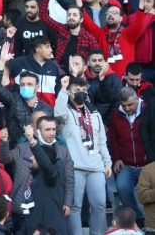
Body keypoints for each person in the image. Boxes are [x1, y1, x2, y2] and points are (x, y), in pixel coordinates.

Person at [54, 75, 112, 235]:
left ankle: (95, 234)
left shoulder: (94, 112)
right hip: (74, 166)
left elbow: (101, 141)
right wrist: (63, 89)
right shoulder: (65, 111)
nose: (81, 92)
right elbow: (57, 114)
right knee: (75, 206)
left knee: (100, 204)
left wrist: (107, 162)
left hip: (96, 166)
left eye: (83, 90)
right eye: (77, 90)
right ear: (70, 92)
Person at [0, 113, 73, 235]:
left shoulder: (62, 153)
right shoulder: (23, 148)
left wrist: (68, 202)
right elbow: (4, 159)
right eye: (47, 129)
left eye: (54, 129)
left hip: (47, 211)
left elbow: (69, 179)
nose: (51, 133)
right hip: (21, 207)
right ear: (37, 131)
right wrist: (4, 142)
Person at [109, 87, 147, 226]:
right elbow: (113, 139)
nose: (127, 108)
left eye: (130, 105)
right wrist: (117, 158)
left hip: (147, 164)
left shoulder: (148, 111)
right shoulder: (116, 115)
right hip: (127, 164)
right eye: (124, 105)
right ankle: (137, 220)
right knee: (122, 187)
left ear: (137, 99)